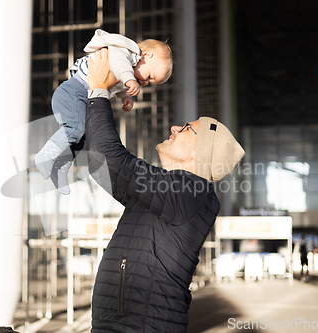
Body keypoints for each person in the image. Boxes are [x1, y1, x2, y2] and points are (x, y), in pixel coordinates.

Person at [85, 48, 245, 332]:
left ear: (200, 154)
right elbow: (103, 167)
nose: (174, 127)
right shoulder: (170, 193)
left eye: (185, 128)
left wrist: (99, 91)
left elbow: (115, 161)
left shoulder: (192, 193)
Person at [35, 29, 173, 194]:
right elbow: (118, 64)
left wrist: (124, 97)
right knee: (76, 128)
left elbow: (116, 81)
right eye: (150, 76)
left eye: (151, 82)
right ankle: (45, 155)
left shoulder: (127, 70)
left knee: (80, 137)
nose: (146, 82)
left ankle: (60, 169)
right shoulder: (126, 50)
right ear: (147, 56)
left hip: (81, 98)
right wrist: (129, 80)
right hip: (72, 91)